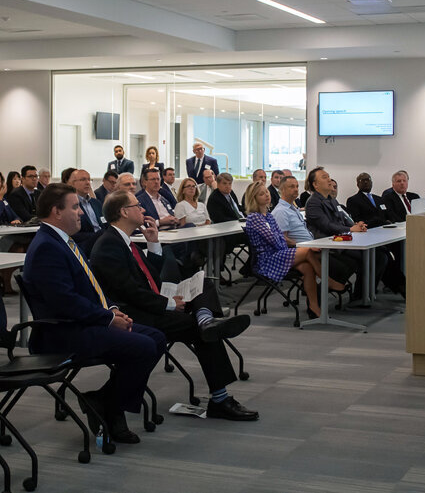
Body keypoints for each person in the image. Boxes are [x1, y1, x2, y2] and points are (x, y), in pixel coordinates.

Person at [90, 190, 257, 421]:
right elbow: (130, 292)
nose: (143, 209)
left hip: (148, 302)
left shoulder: (124, 241)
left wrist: (153, 244)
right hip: (133, 313)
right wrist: (168, 304)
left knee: (204, 284)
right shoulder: (109, 245)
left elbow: (150, 278)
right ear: (123, 212)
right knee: (199, 330)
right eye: (137, 205)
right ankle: (220, 397)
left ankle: (206, 319)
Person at [22, 184, 165, 443]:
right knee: (143, 346)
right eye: (75, 207)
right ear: (56, 211)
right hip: (63, 332)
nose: (81, 213)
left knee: (156, 338)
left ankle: (102, 401)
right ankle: (112, 410)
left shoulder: (63, 242)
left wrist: (112, 309)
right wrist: (108, 318)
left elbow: (92, 287)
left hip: (84, 322)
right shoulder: (47, 247)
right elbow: (64, 302)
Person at [245, 181, 333, 318]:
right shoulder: (254, 218)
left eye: (266, 192)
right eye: (261, 194)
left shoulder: (268, 216)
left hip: (280, 253)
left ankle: (314, 307)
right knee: (309, 251)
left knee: (307, 268)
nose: (266, 195)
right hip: (268, 260)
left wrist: (280, 241)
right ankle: (327, 280)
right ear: (254, 198)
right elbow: (274, 240)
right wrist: (280, 242)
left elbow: (278, 237)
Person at [304, 167, 385, 302]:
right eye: (324, 177)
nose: (329, 180)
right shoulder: (313, 202)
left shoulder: (331, 200)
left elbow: (341, 220)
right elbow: (327, 226)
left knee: (380, 255)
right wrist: (351, 229)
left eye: (329, 176)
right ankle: (357, 297)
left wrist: (355, 226)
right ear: (315, 184)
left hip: (341, 241)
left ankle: (362, 295)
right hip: (329, 245)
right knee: (369, 258)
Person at [69, 169, 105, 254]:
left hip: (103, 241)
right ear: (73, 183)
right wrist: (98, 235)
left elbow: (104, 223)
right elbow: (73, 234)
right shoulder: (71, 204)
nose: (87, 182)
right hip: (84, 245)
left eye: (89, 179)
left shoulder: (96, 203)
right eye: (83, 180)